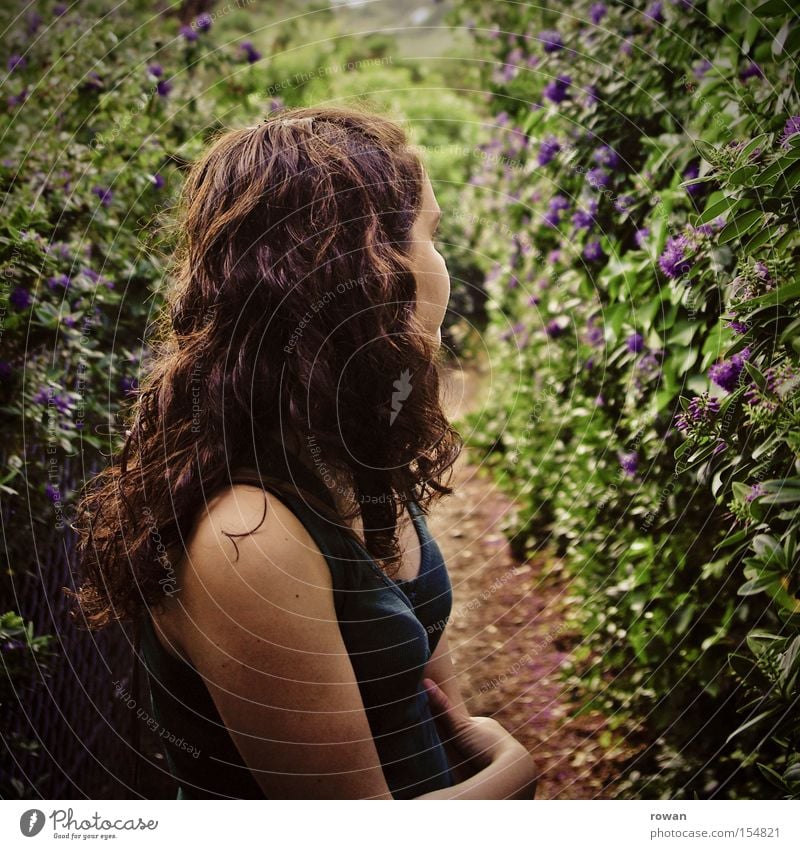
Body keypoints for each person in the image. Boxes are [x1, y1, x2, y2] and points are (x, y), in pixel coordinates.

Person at [72, 105, 538, 800]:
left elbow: (434, 699)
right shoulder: (249, 538)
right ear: (369, 267)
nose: (443, 268)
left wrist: (473, 739)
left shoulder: (344, 448)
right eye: (431, 236)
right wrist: (514, 771)